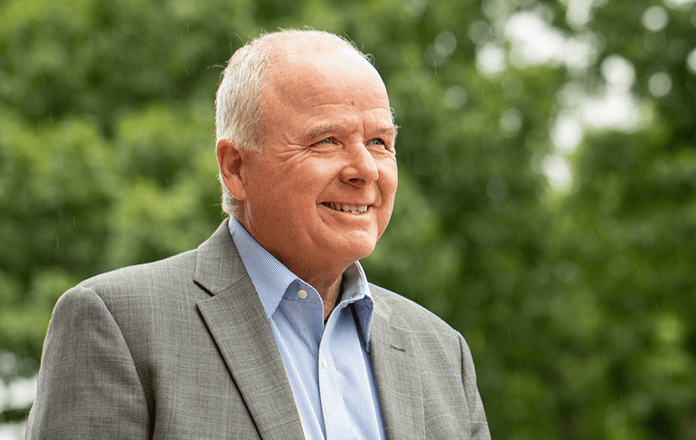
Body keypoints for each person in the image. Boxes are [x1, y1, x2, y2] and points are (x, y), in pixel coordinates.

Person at [25, 30, 490, 439]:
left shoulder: (442, 353)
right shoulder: (118, 324)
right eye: (326, 140)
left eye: (379, 142)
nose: (365, 169)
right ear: (235, 167)